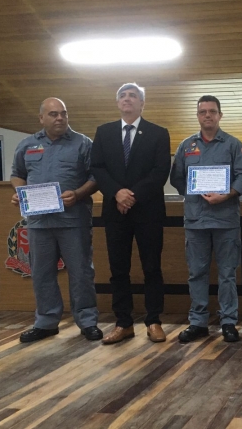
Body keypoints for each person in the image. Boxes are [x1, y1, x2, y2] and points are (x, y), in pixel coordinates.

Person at [10, 98, 101, 343]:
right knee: (41, 273)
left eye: (63, 113)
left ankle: (87, 321)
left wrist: (79, 194)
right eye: (53, 114)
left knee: (81, 272)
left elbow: (97, 176)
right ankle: (47, 322)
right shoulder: (27, 144)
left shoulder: (83, 143)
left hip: (73, 220)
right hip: (39, 222)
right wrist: (21, 193)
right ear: (41, 118)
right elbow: (17, 174)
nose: (59, 118)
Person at [90, 83, 171, 345]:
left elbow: (160, 172)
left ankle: (154, 321)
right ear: (117, 103)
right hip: (115, 211)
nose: (127, 99)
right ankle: (123, 323)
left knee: (152, 268)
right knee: (118, 270)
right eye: (123, 96)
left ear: (141, 103)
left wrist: (131, 195)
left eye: (132, 96)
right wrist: (117, 193)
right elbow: (98, 169)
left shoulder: (159, 133)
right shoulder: (103, 132)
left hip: (148, 210)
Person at [170, 95, 242, 343]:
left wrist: (226, 194)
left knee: (227, 273)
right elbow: (177, 178)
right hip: (196, 221)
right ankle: (198, 322)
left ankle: (229, 321)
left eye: (212, 111)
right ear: (198, 116)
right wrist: (196, 193)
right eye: (203, 111)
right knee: (197, 273)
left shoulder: (233, 145)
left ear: (220, 115)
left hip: (226, 220)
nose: (208, 115)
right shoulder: (186, 146)